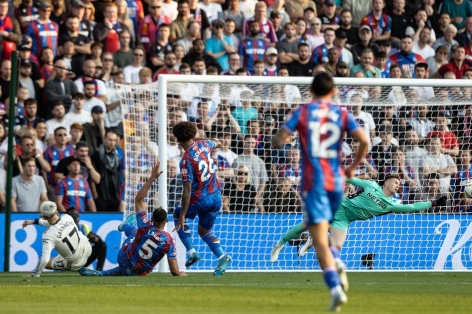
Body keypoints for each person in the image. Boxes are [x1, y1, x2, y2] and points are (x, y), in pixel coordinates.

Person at [271, 72, 370, 311]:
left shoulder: (303, 112)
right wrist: (352, 167)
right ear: (333, 91)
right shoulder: (342, 113)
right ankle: (337, 262)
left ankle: (335, 288)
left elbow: (278, 140)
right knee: (323, 234)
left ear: (311, 91)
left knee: (319, 242)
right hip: (336, 182)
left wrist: (282, 137)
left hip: (312, 182)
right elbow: (364, 141)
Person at [271, 175, 447, 270]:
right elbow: (351, 179)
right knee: (307, 224)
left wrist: (434, 202)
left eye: (399, 184)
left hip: (345, 219)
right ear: (386, 182)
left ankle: (315, 240)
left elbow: (413, 207)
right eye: (395, 182)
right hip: (338, 206)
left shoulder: (393, 205)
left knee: (336, 246)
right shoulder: (371, 185)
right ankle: (279, 244)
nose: (398, 185)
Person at [80, 161, 186, 277]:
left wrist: (151, 178)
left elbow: (138, 200)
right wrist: (181, 274)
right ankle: (104, 271)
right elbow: (174, 271)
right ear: (166, 221)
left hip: (123, 258)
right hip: (137, 273)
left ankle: (124, 227)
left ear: (152, 220)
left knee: (137, 232)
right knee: (137, 245)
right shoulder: (169, 241)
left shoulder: (145, 225)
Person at [172, 121, 232, 276]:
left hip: (199, 198)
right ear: (194, 134)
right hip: (216, 197)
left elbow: (187, 189)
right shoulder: (205, 144)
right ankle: (222, 256)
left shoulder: (186, 160)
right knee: (204, 230)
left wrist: (183, 213)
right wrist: (201, 143)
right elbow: (217, 143)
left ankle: (192, 252)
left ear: (177, 140)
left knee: (178, 215)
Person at [21, 201, 92, 277]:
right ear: (57, 212)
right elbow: (55, 222)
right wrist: (34, 221)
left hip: (77, 262)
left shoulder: (48, 235)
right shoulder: (67, 217)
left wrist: (35, 274)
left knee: (45, 263)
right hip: (87, 247)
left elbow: (44, 260)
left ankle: (81, 269)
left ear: (43, 217)